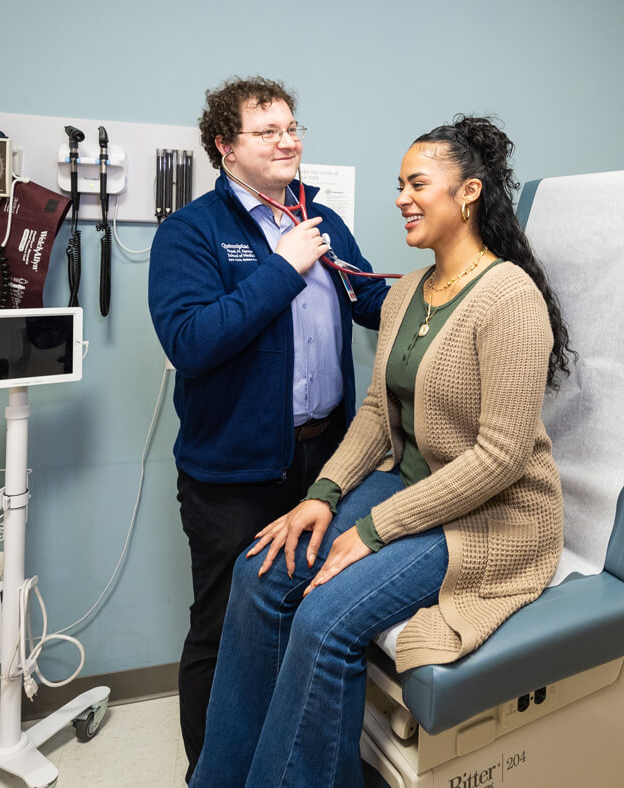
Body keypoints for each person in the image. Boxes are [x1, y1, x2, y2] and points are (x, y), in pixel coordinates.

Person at [189, 115, 572, 787]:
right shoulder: (404, 294)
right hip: (411, 486)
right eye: (399, 184)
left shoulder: (510, 296)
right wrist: (322, 497)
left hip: (492, 515)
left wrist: (372, 529)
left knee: (324, 619)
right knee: (260, 573)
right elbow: (375, 415)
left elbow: (500, 458)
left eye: (418, 183)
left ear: (470, 193)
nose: (401, 197)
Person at [147, 75, 389, 778]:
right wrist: (282, 269)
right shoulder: (191, 233)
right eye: (268, 130)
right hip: (233, 474)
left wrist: (448, 279)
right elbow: (192, 341)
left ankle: (285, 764)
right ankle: (214, 770)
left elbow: (371, 302)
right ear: (225, 146)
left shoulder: (322, 220)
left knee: (312, 619)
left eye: (293, 127)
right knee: (226, 631)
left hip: (325, 464)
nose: (288, 141)